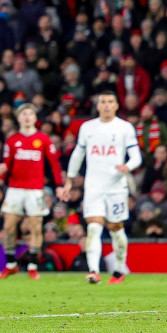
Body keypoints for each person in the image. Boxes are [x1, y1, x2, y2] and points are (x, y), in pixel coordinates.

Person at [62, 92, 141, 284]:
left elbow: (136, 156)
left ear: (116, 106)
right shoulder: (88, 128)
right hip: (94, 187)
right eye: (103, 102)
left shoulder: (125, 128)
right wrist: (69, 180)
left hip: (116, 188)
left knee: (116, 229)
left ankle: (120, 269)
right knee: (94, 228)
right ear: (98, 106)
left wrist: (127, 167)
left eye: (110, 102)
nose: (106, 105)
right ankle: (93, 271)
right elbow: (77, 155)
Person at [0, 103, 63, 281]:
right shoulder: (12, 140)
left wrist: (59, 185)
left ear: (35, 118)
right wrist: (2, 171)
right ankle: (10, 265)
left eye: (30, 114)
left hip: (35, 190)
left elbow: (54, 164)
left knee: (35, 227)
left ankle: (33, 266)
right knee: (9, 227)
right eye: (23, 114)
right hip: (15, 188)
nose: (26, 117)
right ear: (18, 118)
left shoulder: (43, 139)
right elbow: (6, 165)